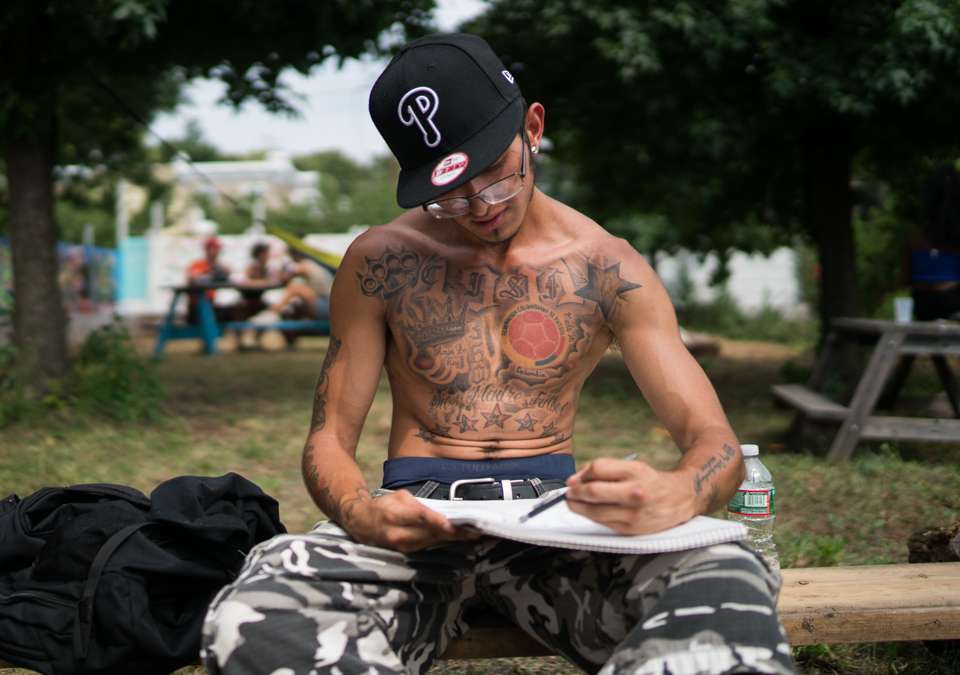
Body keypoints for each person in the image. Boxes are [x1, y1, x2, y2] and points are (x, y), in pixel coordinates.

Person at [202, 34, 794, 675]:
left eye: (493, 175)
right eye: (449, 194)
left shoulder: (606, 266)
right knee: (249, 620)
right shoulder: (380, 263)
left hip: (559, 525)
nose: (479, 208)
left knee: (729, 579)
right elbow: (327, 441)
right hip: (416, 522)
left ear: (532, 127)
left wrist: (679, 492)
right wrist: (360, 513)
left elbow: (715, 442)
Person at [908, 163, 960, 321]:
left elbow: (905, 278)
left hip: (923, 305)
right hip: (953, 304)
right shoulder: (956, 236)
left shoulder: (915, 238)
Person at [248, 249, 335, 325]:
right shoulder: (311, 264)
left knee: (296, 288)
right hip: (328, 306)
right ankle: (277, 318)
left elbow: (284, 277)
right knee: (295, 301)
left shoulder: (305, 265)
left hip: (326, 307)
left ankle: (272, 313)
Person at [184, 236, 233, 325]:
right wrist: (208, 274)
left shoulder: (220, 266)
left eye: (216, 249)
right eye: (212, 248)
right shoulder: (198, 264)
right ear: (206, 249)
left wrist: (222, 273)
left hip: (210, 305)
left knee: (235, 312)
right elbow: (192, 278)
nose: (215, 252)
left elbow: (227, 275)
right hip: (197, 308)